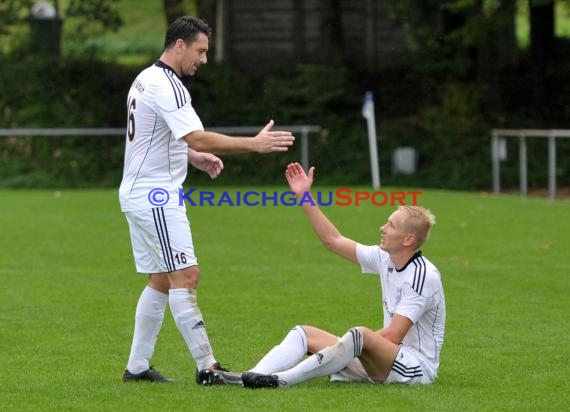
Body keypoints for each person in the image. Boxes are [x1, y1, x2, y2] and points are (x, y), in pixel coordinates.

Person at [119, 16, 295, 383]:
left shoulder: (145, 78)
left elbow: (155, 138)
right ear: (179, 45)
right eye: (200, 50)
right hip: (156, 198)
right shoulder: (169, 86)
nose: (203, 59)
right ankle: (208, 368)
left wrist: (190, 157)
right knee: (186, 275)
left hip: (141, 192)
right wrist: (254, 144)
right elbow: (197, 136)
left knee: (162, 280)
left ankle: (136, 367)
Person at [198, 162, 445, 388]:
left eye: (391, 225)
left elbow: (393, 336)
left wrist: (345, 347)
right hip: (380, 361)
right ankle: (246, 378)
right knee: (303, 333)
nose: (382, 228)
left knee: (358, 335)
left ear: (408, 239)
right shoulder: (385, 257)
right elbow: (333, 241)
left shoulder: (423, 276)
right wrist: (304, 196)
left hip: (413, 368)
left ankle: (279, 381)